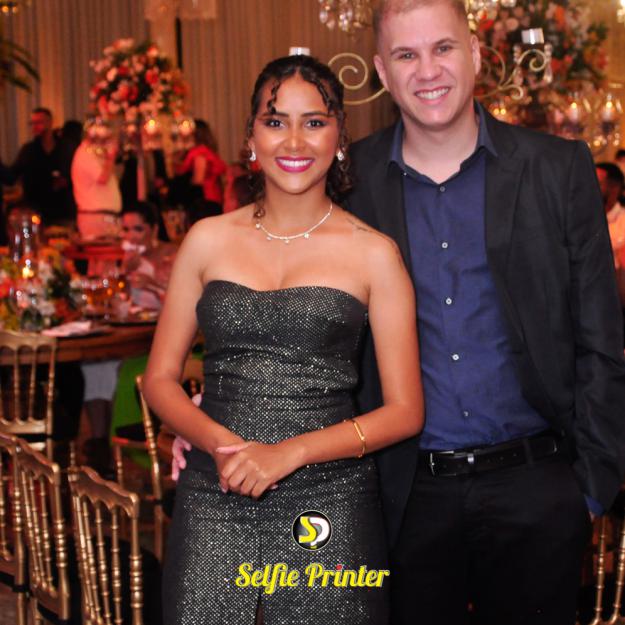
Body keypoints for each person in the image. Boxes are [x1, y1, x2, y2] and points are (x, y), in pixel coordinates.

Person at [343, 1, 625, 624]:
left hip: (538, 489)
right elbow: (305, 327)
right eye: (406, 54)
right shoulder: (349, 184)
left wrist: (590, 486)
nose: (427, 71)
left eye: (443, 48)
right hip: (403, 499)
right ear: (382, 73)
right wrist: (225, 417)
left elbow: (602, 339)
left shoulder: (558, 170)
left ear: (473, 53)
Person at [142, 55, 423, 625]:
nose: (294, 140)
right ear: (250, 137)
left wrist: (288, 454)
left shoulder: (374, 253)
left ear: (339, 137)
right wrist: (221, 445)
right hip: (215, 493)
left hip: (329, 502)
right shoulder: (206, 240)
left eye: (314, 122)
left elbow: (405, 411)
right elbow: (159, 380)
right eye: (275, 122)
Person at [81, 201, 176, 474]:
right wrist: (121, 277)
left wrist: (153, 284)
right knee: (95, 366)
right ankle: (100, 445)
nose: (131, 236)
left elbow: (183, 303)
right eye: (126, 229)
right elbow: (120, 301)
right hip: (133, 332)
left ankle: (121, 447)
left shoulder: (170, 255)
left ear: (154, 229)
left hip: (164, 337)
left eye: (138, 229)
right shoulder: (125, 258)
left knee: (119, 370)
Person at [5, 107, 74, 226]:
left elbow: (77, 175)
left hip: (63, 212)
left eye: (39, 122)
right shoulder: (28, 150)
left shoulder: (66, 147)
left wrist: (66, 180)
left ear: (50, 123)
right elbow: (11, 177)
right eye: (32, 123)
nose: (35, 127)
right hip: (36, 212)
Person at [71, 128, 121, 240]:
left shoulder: (96, 153)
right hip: (96, 217)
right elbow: (102, 178)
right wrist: (111, 156)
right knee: (100, 250)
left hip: (103, 216)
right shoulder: (85, 153)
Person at [173, 119, 227, 221]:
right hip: (214, 195)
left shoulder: (199, 152)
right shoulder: (207, 150)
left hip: (206, 198)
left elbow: (198, 179)